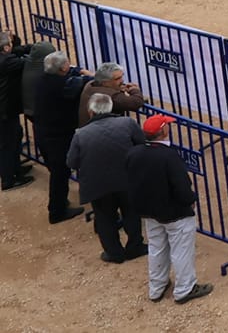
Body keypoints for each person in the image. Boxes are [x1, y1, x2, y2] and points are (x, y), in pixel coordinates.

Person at [127, 114, 210, 304]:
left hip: (149, 212)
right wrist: (191, 200)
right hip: (175, 213)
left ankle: (156, 288)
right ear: (163, 131)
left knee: (156, 248)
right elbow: (181, 186)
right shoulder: (169, 156)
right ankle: (184, 289)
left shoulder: (133, 153)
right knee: (181, 251)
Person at [69, 94, 145, 263]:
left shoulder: (81, 134)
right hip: (127, 179)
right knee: (131, 213)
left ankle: (114, 253)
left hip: (97, 185)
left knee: (105, 218)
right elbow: (141, 145)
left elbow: (71, 161)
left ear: (90, 112)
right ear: (110, 108)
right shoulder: (127, 123)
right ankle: (135, 247)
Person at [34, 48, 85, 222]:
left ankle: (58, 204)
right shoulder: (62, 85)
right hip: (57, 137)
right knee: (60, 173)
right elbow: (83, 83)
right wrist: (86, 75)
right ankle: (57, 211)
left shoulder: (43, 79)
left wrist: (74, 71)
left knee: (58, 172)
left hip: (43, 132)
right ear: (63, 68)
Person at [0, 35, 35, 190]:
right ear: (6, 48)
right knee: (7, 143)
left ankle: (15, 169)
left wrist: (27, 47)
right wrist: (36, 52)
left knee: (15, 136)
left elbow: (16, 52)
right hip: (4, 111)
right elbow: (27, 62)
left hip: (6, 109)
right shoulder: (6, 62)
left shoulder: (5, 58)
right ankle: (8, 179)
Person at [78, 60, 144, 123]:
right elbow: (136, 102)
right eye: (117, 79)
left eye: (122, 76)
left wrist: (119, 88)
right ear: (104, 82)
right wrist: (135, 90)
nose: (122, 80)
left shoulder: (91, 84)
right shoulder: (112, 96)